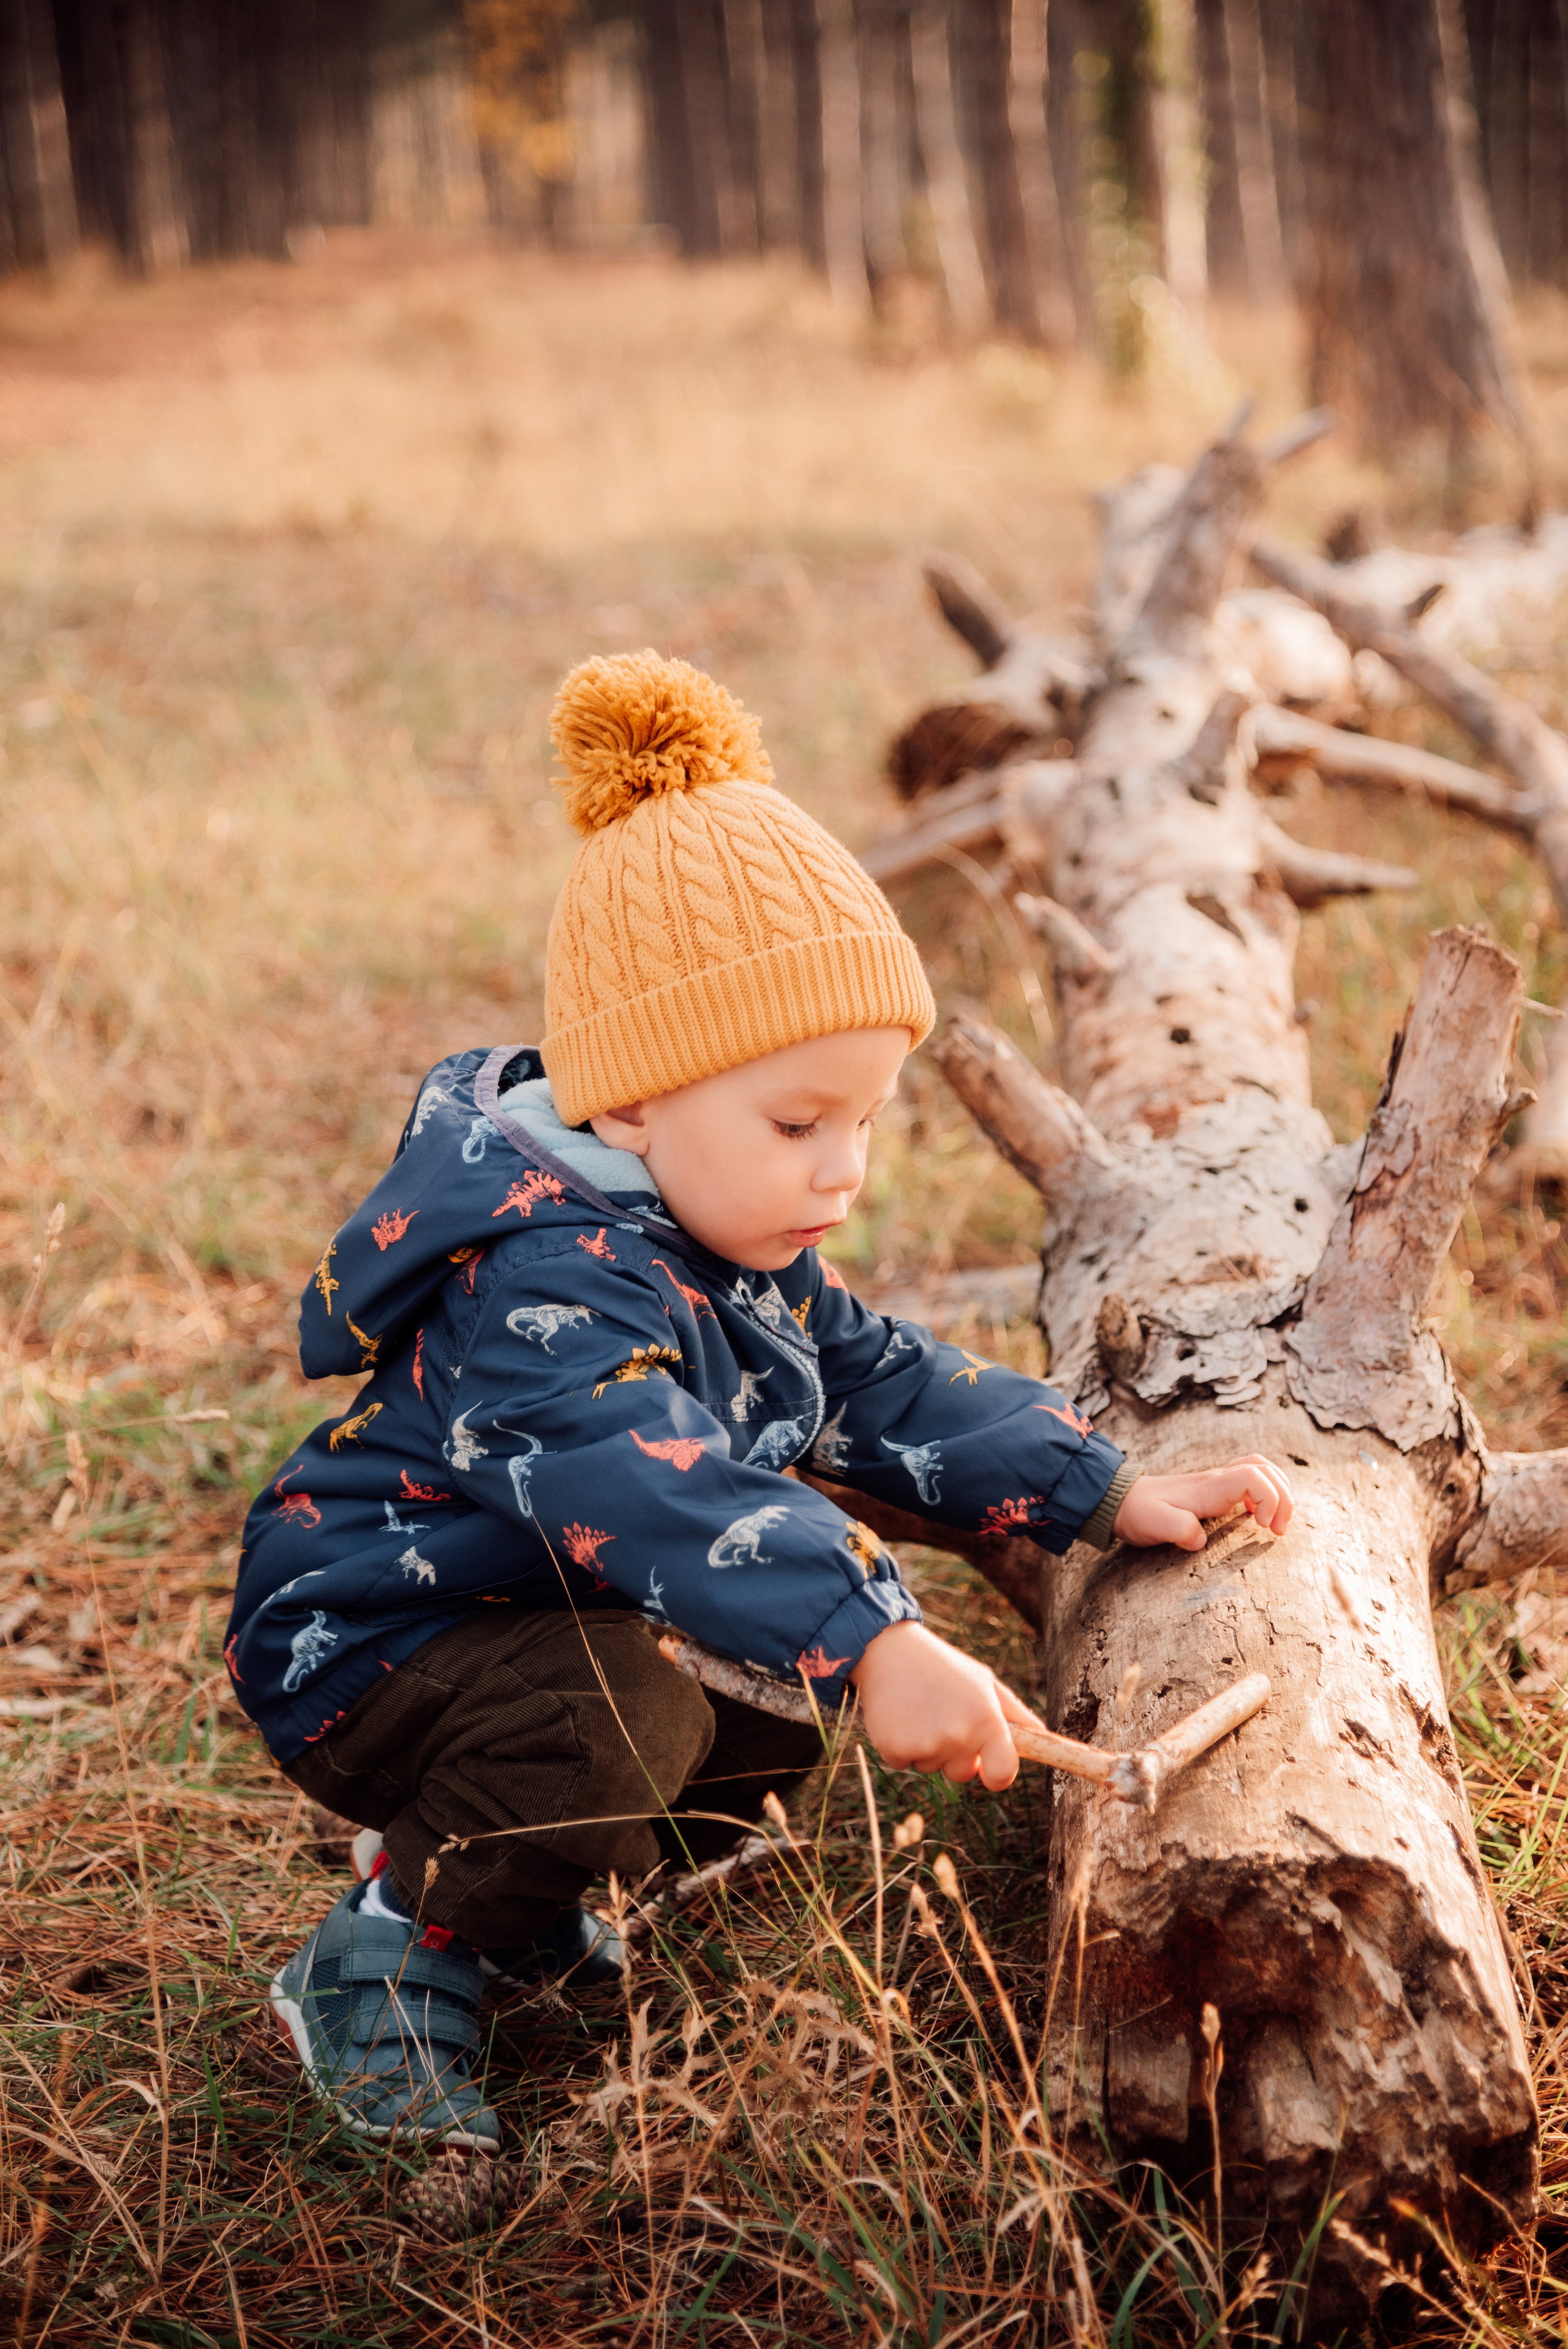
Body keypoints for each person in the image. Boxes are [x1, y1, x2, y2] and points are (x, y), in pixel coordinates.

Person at [226, 651, 1293, 2154]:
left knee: (750, 1697)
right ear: (634, 1100)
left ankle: (511, 1889)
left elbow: (877, 1377)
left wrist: (1098, 1489)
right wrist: (872, 1635)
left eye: (862, 1117)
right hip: (368, 1637)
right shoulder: (539, 1287)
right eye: (797, 1122)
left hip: (522, 1616)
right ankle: (389, 1953)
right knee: (620, 1715)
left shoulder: (725, 1239)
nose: (840, 1167)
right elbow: (650, 1483)